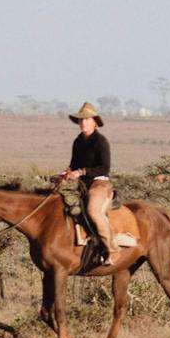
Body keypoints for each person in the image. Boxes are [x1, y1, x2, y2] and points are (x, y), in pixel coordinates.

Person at [55, 101, 133, 268]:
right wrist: (67, 173)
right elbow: (74, 164)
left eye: (87, 120)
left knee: (93, 210)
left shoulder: (101, 141)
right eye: (81, 120)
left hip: (99, 183)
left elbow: (104, 168)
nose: (83, 123)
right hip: (80, 183)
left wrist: (81, 172)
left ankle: (113, 249)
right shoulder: (78, 141)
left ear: (95, 122)